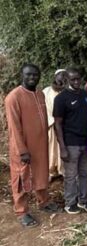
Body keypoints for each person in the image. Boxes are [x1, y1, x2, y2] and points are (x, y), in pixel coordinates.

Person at [5, 63, 59, 227]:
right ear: (22, 75)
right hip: (23, 149)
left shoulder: (40, 94)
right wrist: (22, 150)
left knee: (41, 173)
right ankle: (22, 211)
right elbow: (14, 128)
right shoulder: (13, 97)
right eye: (28, 75)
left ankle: (44, 201)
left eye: (35, 75)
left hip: (40, 146)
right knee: (21, 178)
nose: (32, 77)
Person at [54, 68, 87, 214]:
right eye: (73, 79)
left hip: (85, 142)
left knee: (84, 173)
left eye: (78, 79)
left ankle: (83, 200)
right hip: (70, 143)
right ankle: (70, 203)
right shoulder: (61, 98)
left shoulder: (85, 95)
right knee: (71, 175)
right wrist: (62, 147)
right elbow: (57, 124)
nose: (76, 82)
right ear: (67, 80)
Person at [43, 69, 68, 180]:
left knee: (63, 148)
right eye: (60, 74)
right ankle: (50, 171)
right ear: (55, 76)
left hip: (64, 125)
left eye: (64, 75)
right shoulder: (46, 91)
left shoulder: (68, 91)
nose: (62, 77)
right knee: (51, 148)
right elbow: (43, 107)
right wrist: (51, 120)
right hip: (51, 124)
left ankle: (62, 170)